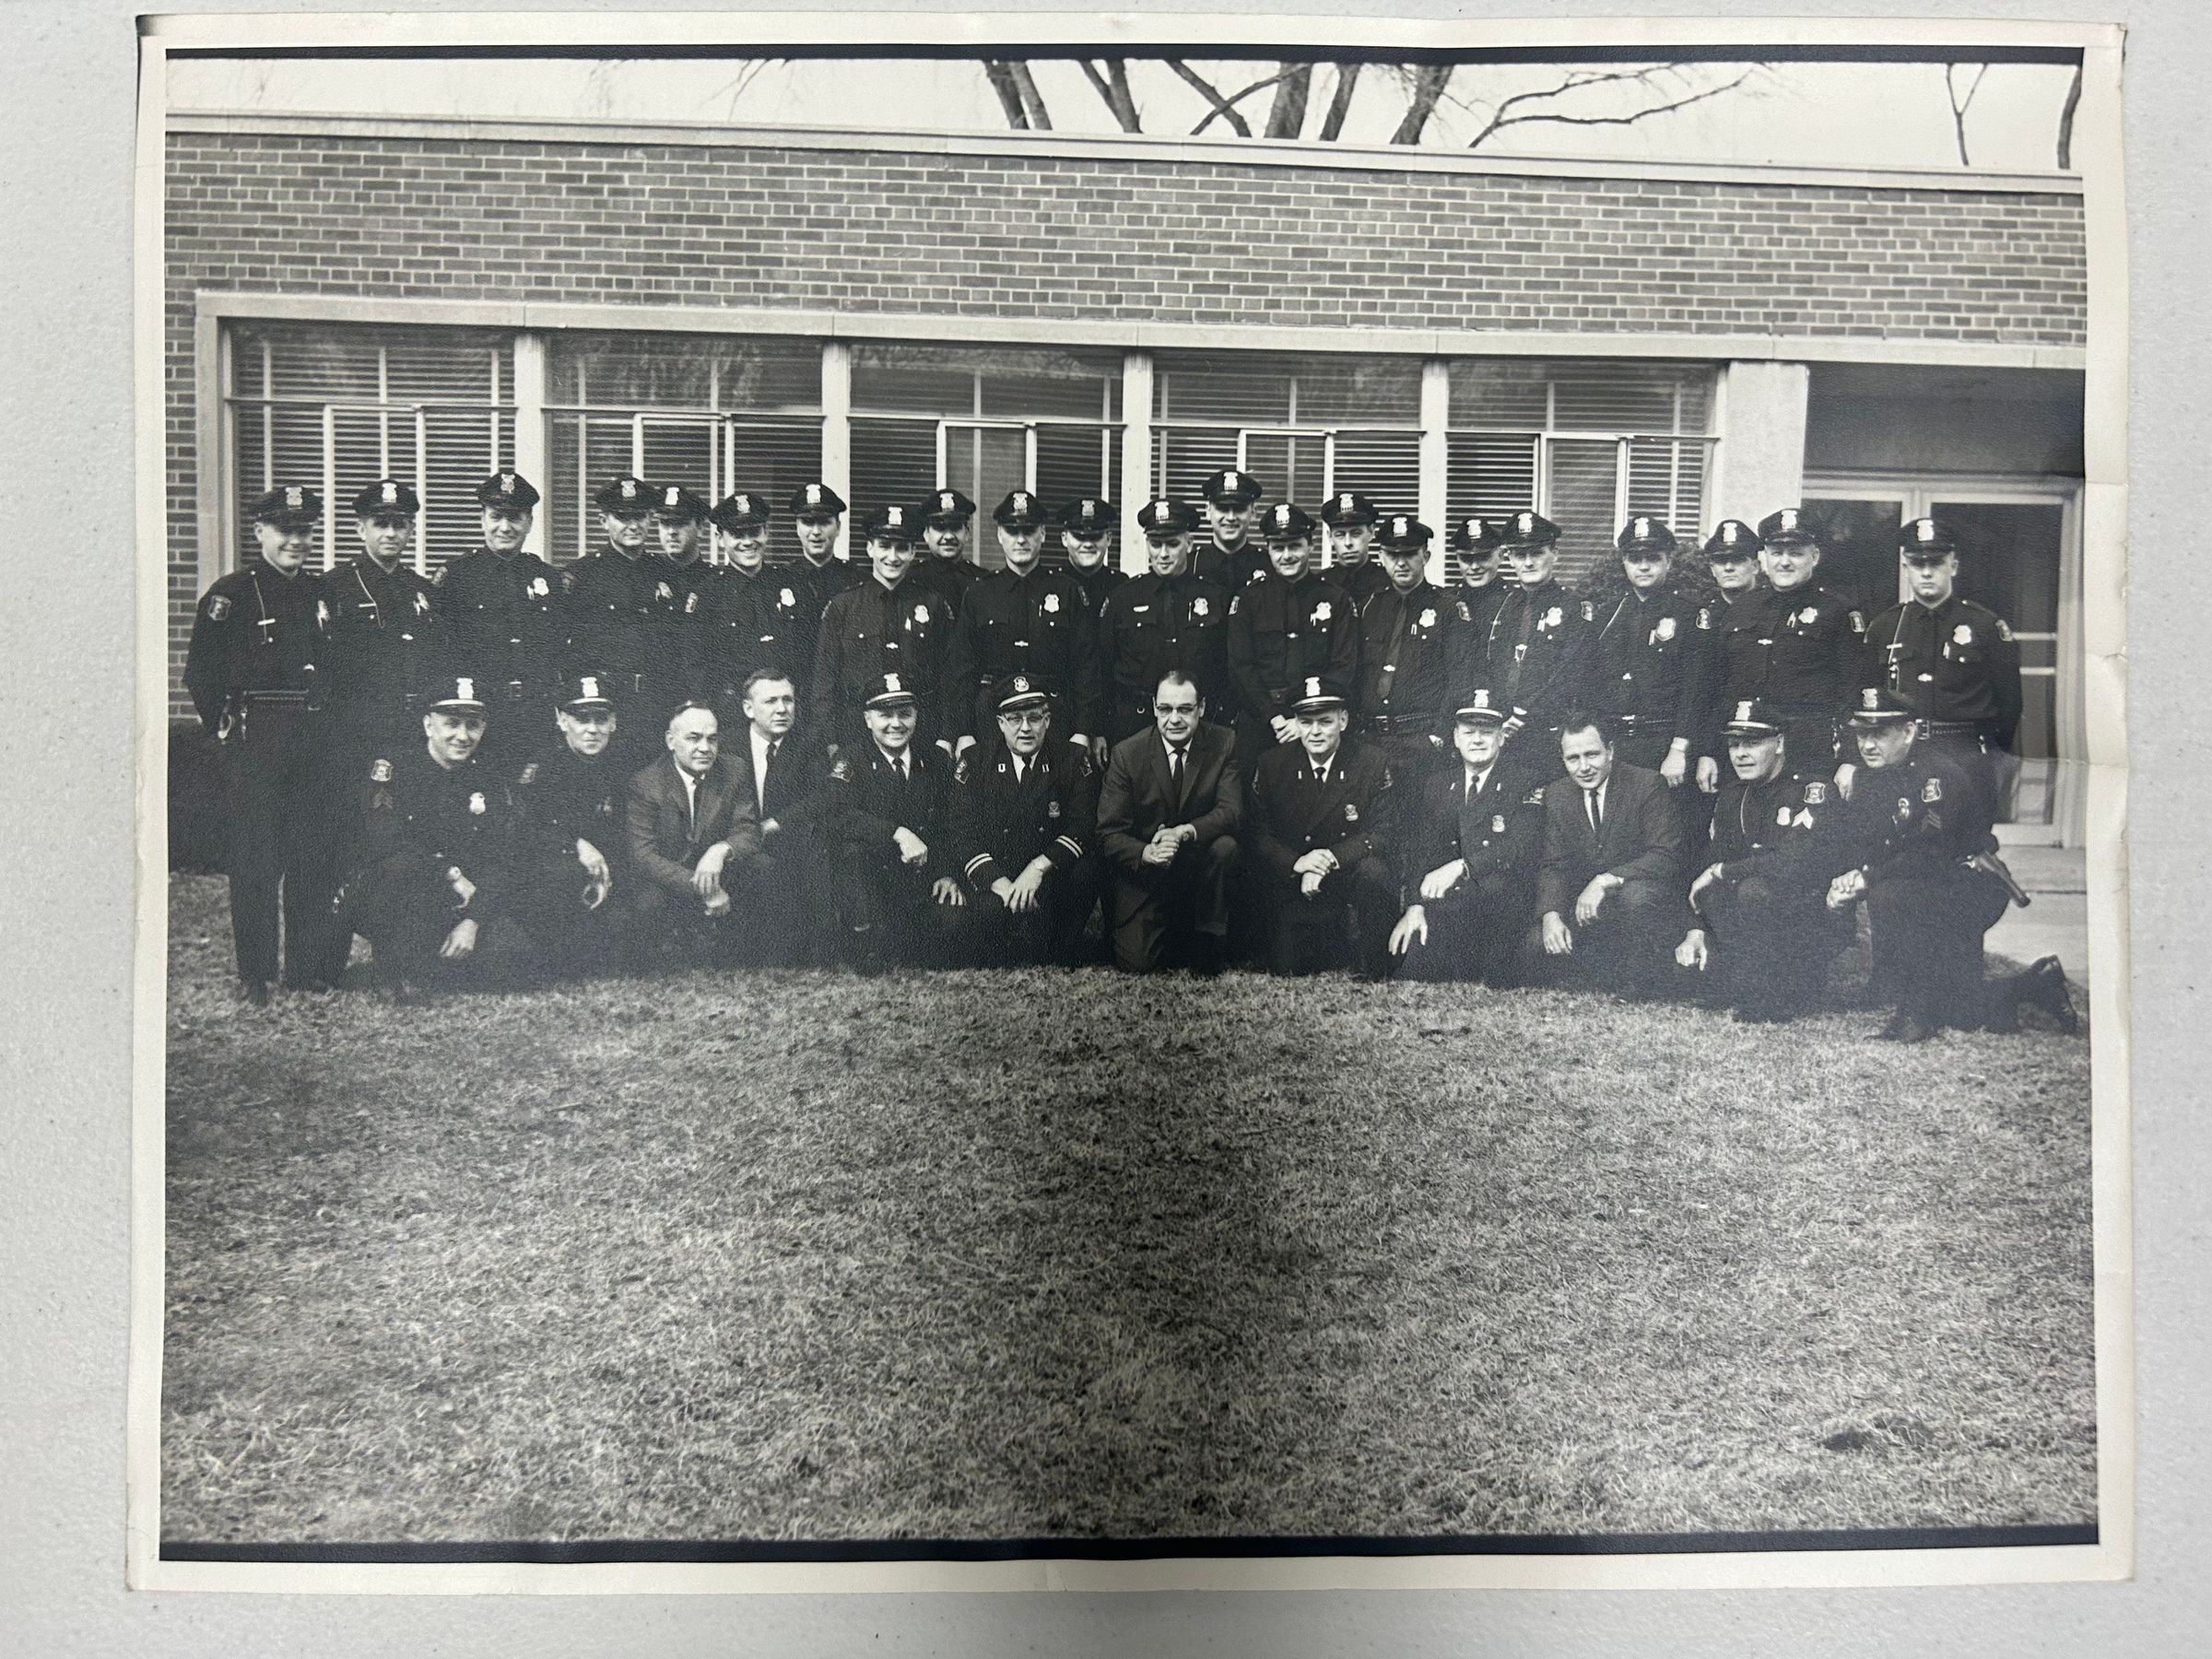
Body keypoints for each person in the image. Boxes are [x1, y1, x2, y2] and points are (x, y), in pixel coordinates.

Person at [1823, 688, 2075, 1041]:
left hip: (1968, 884)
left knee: (1890, 895)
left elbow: (1930, 853)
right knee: (1960, 1011)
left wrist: (1868, 878)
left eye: (1879, 734)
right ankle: (2036, 983)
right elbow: (1873, 842)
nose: (1867, 745)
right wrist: (1847, 879)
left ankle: (1915, 1015)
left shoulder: (1936, 777)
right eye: (1862, 734)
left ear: (1909, 731)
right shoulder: (1878, 775)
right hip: (1925, 881)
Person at [182, 484, 334, 1003]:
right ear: (260, 532)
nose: (296, 541)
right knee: (255, 861)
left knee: (310, 857)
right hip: (258, 740)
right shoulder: (232, 594)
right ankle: (256, 974)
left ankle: (304, 969)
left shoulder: (320, 593)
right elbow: (201, 675)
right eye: (285, 531)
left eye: (304, 531)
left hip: (313, 740)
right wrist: (225, 734)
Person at [314, 478, 446, 982]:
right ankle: (326, 961)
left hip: (409, 743)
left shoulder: (422, 593)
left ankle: (399, 956)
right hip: (354, 741)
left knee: (399, 847)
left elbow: (436, 668)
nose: (391, 532)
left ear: (411, 528)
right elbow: (326, 672)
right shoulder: (336, 588)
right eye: (381, 523)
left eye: (400, 523)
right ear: (361, 527)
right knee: (347, 849)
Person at [349, 675, 529, 1002]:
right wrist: (449, 873)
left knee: (513, 955)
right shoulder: (393, 770)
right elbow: (384, 840)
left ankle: (435, 961)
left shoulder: (486, 777)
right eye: (452, 724)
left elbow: (500, 857)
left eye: (472, 725)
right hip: (400, 893)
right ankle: (397, 965)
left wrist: (473, 922)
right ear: (429, 725)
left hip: (459, 904)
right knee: (401, 868)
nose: (463, 736)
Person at [1674, 699, 1851, 1022]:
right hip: (1757, 905)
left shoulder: (1812, 790)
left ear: (1780, 743)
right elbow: (1713, 860)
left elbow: (1793, 863)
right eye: (1734, 744)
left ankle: (1779, 990)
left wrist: (1723, 871)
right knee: (1713, 890)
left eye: (1753, 744)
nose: (1740, 754)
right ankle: (1745, 979)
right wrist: (1696, 927)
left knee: (1753, 889)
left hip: (1811, 913)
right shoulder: (1733, 795)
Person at [1861, 515, 2024, 810]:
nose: (1926, 573)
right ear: (1906, 568)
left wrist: (1988, 752)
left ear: (1953, 566)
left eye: (1935, 563)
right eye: (1917, 564)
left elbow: (2009, 702)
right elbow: (1867, 694)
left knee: (1968, 843)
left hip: (1964, 753)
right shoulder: (1885, 627)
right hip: (1902, 752)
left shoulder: (1985, 626)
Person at [1387, 688, 1545, 985]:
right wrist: (1415, 905)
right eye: (1469, 731)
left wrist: (1462, 866)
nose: (1477, 740)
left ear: (1501, 737)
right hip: (1449, 901)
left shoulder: (1525, 781)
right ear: (1456, 738)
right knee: (1413, 969)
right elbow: (1422, 851)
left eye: (1487, 732)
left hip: (1500, 904)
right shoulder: (1437, 784)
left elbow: (1520, 846)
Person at [1247, 676, 1398, 980]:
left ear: (1343, 721)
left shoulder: (1371, 762)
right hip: (1296, 880)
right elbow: (1257, 833)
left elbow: (1385, 832)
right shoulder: (1272, 765)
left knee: (1376, 873)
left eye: (1325, 721)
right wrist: (1297, 863)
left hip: (1345, 875)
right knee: (1288, 967)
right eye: (1306, 722)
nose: (1315, 732)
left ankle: (1373, 960)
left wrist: (1328, 858)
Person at [1095, 670, 1243, 976]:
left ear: (1201, 708)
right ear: (1154, 708)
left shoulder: (1224, 742)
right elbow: (1108, 832)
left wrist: (1185, 832)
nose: (1174, 719)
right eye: (1166, 709)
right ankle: (1166, 929)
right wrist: (1146, 853)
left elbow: (1232, 811)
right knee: (1138, 963)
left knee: (1226, 847)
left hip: (1198, 871)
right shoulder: (1127, 754)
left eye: (1185, 710)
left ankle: (1207, 934)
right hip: (1149, 876)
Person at [947, 677, 1101, 966]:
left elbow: (1083, 824)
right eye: (1015, 719)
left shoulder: (1071, 759)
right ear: (1000, 723)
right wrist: (1000, 883)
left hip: (1048, 876)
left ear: (1047, 720)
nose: (1025, 728)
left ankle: (1059, 945)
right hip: (998, 876)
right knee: (987, 927)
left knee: (1085, 871)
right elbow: (961, 831)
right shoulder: (975, 760)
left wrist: (1038, 867)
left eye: (1034, 718)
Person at [1529, 713, 1687, 996]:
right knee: (1532, 950)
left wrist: (1607, 880)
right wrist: (1551, 914)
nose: (1584, 767)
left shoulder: (1647, 784)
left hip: (1638, 899)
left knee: (1636, 898)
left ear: (1611, 751)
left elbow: (1666, 856)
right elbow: (1554, 864)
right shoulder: (1558, 794)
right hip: (1588, 910)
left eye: (1592, 755)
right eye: (1573, 758)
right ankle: (1600, 968)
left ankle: (1643, 979)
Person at [1711, 506, 1865, 785]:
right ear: (1764, 557)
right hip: (1749, 750)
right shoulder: (1741, 610)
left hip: (1809, 750)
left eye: (1795, 553)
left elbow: (1853, 691)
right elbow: (1720, 687)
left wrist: (1850, 760)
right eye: (1777, 553)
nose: (1784, 562)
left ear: (1814, 557)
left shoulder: (1838, 612)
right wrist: (1708, 752)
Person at [823, 672, 967, 971]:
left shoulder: (936, 760)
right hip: (876, 881)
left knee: (954, 931)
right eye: (884, 715)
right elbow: (837, 815)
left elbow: (953, 824)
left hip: (924, 879)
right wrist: (896, 832)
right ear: (867, 720)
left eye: (905, 714)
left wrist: (948, 874)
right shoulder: (852, 760)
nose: (896, 724)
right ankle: (867, 938)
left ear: (916, 715)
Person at [944, 489, 1100, 763]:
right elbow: (961, 669)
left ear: (1042, 534)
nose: (1020, 539)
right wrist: (964, 730)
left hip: (1054, 720)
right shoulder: (980, 593)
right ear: (1000, 536)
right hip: (993, 721)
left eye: (1028, 531)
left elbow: (1086, 666)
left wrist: (1083, 730)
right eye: (1012, 531)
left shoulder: (1067, 591)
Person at [810, 503, 959, 754]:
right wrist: (831, 740)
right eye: (884, 546)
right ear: (870, 548)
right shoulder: (843, 606)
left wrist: (946, 735)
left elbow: (949, 677)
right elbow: (825, 681)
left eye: (902, 548)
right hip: (855, 733)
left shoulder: (933, 605)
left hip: (921, 733)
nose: (893, 556)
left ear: (913, 552)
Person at [623, 700, 763, 966]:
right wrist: (704, 889)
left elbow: (748, 830)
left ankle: (755, 955)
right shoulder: (646, 783)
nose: (704, 748)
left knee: (762, 868)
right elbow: (643, 856)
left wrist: (720, 850)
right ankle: (664, 955)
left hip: (719, 871)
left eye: (712, 739)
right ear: (671, 741)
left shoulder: (734, 770)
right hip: (672, 879)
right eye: (694, 738)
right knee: (647, 902)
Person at [1583, 515, 1715, 794]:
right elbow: (1592, 685)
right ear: (1624, 563)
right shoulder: (1607, 615)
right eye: (1635, 558)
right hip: (1615, 743)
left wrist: (1679, 749)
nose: (1643, 566)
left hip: (1664, 744)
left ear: (1668, 561)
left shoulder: (1689, 614)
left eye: (1653, 558)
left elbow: (1696, 689)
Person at [1226, 501, 1358, 777]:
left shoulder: (1336, 599)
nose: (1286, 555)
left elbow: (1343, 667)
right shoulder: (1249, 600)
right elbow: (1241, 667)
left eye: (1294, 546)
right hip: (1261, 723)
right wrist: (1273, 717)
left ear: (1310, 545)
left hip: (1316, 726)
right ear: (1268, 550)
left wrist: (1304, 721)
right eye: (1278, 547)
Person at [512, 674, 629, 977]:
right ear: (562, 720)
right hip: (557, 875)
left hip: (610, 873)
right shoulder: (542, 768)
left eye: (600, 719)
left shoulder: (622, 766)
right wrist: (574, 844)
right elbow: (527, 830)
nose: (592, 729)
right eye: (581, 719)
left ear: (613, 723)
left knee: (632, 927)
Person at [435, 470, 562, 743]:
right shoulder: (456, 577)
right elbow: (439, 654)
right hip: (476, 718)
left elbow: (561, 650)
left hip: (535, 716)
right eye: (496, 517)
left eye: (515, 518)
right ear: (482, 520)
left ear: (529, 522)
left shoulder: (548, 579)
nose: (505, 527)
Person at [1096, 497, 1232, 743]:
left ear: (1189, 543)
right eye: (1156, 544)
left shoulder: (1215, 597)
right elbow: (1104, 668)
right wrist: (1100, 731)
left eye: (1172, 544)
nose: (1163, 554)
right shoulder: (1123, 598)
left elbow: (1227, 668)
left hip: (1201, 727)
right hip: (1135, 725)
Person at [723, 666, 833, 966]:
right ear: (748, 708)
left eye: (788, 700)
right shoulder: (728, 745)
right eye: (771, 701)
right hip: (738, 843)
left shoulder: (808, 742)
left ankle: (809, 953)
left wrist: (772, 824)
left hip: (789, 840)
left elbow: (821, 796)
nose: (782, 709)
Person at [1351, 513, 1461, 783]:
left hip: (1420, 740)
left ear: (1426, 555)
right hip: (1371, 741)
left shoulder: (1447, 607)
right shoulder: (1368, 607)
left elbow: (1460, 676)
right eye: (1392, 554)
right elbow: (1355, 674)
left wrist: (1439, 735)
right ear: (1382, 557)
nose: (1401, 562)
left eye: (1410, 554)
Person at [560, 474, 663, 762]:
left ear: (650, 518)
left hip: (654, 705)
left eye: (640, 516)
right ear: (604, 521)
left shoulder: (664, 574)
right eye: (622, 517)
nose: (632, 525)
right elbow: (561, 651)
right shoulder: (580, 576)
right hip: (602, 710)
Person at [695, 488, 818, 715]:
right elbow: (699, 669)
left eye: (754, 532)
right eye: (737, 534)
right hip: (732, 715)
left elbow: (810, 659)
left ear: (766, 533)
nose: (748, 542)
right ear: (720, 539)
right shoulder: (708, 595)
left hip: (789, 714)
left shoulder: (794, 587)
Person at [1691, 518, 1768, 794]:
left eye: (1738, 559)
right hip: (1714, 743)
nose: (1729, 567)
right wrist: (1706, 751)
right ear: (1712, 568)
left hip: (1761, 739)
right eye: (1721, 561)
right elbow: (1698, 693)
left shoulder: (1772, 612)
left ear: (1756, 565)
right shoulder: (1702, 618)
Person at [647, 482, 717, 710]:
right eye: (665, 523)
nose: (671, 532)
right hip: (653, 699)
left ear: (700, 528)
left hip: (703, 699)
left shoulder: (716, 582)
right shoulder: (644, 575)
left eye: (680, 523)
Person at [786, 480, 865, 609]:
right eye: (808, 522)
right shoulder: (781, 580)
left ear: (838, 527)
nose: (816, 532)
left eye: (824, 522)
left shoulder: (857, 581)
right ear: (797, 528)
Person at [1192, 466, 1269, 592]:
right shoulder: (1191, 565)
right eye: (1222, 508)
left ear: (1254, 512)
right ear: (1208, 511)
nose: (1231, 517)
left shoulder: (1269, 565)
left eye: (1239, 509)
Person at [912, 486, 983, 607]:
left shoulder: (981, 581)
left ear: (967, 533)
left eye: (955, 528)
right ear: (926, 534)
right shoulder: (911, 579)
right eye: (940, 528)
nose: (949, 536)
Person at [1059, 495, 1127, 618]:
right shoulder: (1050, 583)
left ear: (1109, 538)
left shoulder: (1121, 585)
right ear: (1064, 539)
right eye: (1079, 537)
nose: (1088, 544)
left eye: (1095, 537)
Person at [1320, 489, 1390, 604]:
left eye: (1356, 533)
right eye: (1340, 535)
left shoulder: (1388, 582)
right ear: (1330, 537)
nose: (1348, 543)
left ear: (1371, 532)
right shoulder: (1319, 585)